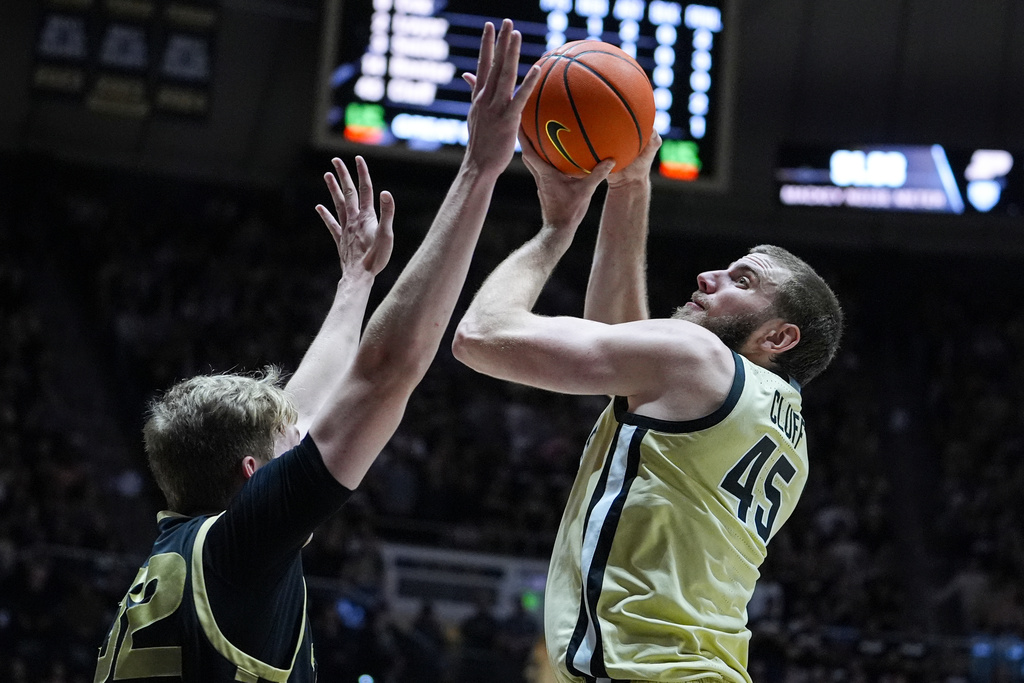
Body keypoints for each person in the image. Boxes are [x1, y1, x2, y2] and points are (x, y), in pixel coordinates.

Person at [93, 19, 541, 682]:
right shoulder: (243, 547)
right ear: (254, 473)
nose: (307, 433)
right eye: (292, 440)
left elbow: (297, 402)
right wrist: (479, 169)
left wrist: (356, 282)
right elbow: (386, 372)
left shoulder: (186, 546)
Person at [452, 131, 844, 682]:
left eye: (742, 280)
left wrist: (556, 230)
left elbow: (481, 336)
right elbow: (621, 342)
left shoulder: (699, 358)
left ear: (778, 338)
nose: (709, 277)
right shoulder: (787, 432)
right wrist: (629, 184)